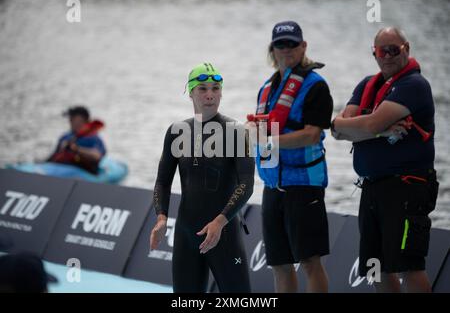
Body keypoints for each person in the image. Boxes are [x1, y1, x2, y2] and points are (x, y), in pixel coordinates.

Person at [332, 27, 439, 293]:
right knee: (375, 267)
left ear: (407, 49)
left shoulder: (414, 85)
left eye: (395, 49)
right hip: (372, 187)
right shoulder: (367, 84)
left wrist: (363, 127)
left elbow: (366, 125)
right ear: (374, 53)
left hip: (405, 187)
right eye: (383, 50)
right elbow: (338, 130)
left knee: (408, 266)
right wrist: (374, 128)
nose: (388, 55)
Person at [149, 63, 254, 293]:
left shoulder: (236, 132)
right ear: (190, 93)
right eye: (203, 89)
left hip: (224, 235)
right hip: (187, 234)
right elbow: (162, 181)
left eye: (215, 88)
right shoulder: (177, 131)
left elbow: (247, 185)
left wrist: (219, 221)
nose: (210, 95)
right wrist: (161, 218)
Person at [251, 21, 333, 293]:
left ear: (303, 46)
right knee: (279, 264)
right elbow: (262, 130)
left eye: (292, 44)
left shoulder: (316, 86)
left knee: (310, 262)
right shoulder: (267, 87)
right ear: (272, 49)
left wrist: (267, 140)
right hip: (273, 186)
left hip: (303, 184)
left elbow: (311, 135)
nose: (286, 49)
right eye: (280, 44)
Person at [48, 106, 106, 174]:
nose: (71, 122)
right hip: (60, 168)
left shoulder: (93, 138)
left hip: (83, 170)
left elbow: (96, 156)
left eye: (74, 120)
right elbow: (54, 156)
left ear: (85, 121)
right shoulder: (65, 137)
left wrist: (76, 149)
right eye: (70, 119)